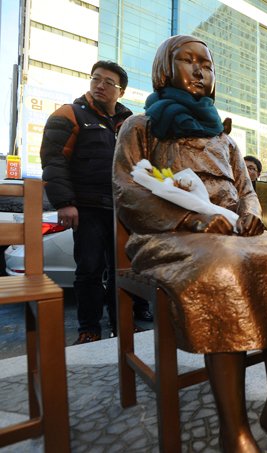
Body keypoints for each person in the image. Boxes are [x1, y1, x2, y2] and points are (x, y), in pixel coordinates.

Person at [112, 35, 267, 451]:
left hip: (233, 230)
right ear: (167, 68)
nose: (202, 70)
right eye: (190, 60)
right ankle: (233, 429)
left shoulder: (224, 137)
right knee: (222, 267)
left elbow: (246, 187)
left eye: (209, 64)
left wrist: (252, 211)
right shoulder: (141, 126)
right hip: (169, 234)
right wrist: (192, 217)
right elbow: (126, 189)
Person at [40, 60, 149, 344]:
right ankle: (88, 329)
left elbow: (142, 166)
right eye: (96, 79)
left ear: (121, 91)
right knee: (88, 269)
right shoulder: (70, 113)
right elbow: (53, 160)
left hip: (122, 209)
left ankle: (123, 325)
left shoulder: (131, 123)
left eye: (108, 82)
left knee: (123, 271)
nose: (100, 85)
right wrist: (64, 201)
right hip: (86, 206)